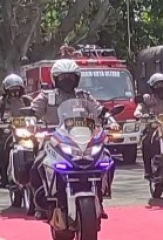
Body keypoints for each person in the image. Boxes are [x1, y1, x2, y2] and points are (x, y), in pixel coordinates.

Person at [30, 59, 108, 217]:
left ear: (77, 78)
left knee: (105, 160)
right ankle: (39, 204)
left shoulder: (84, 95)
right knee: (37, 164)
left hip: (81, 139)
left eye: (71, 77)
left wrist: (107, 118)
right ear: (55, 79)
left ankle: (99, 199)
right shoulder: (46, 96)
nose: (67, 81)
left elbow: (98, 109)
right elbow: (34, 110)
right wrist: (31, 120)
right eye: (63, 78)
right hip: (53, 139)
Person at [0, 74, 32, 189]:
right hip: (8, 130)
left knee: (37, 147)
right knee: (2, 150)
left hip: (26, 130)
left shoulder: (27, 100)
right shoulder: (1, 101)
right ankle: (4, 179)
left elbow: (36, 110)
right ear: (6, 90)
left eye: (17, 89)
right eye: (11, 90)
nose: (14, 92)